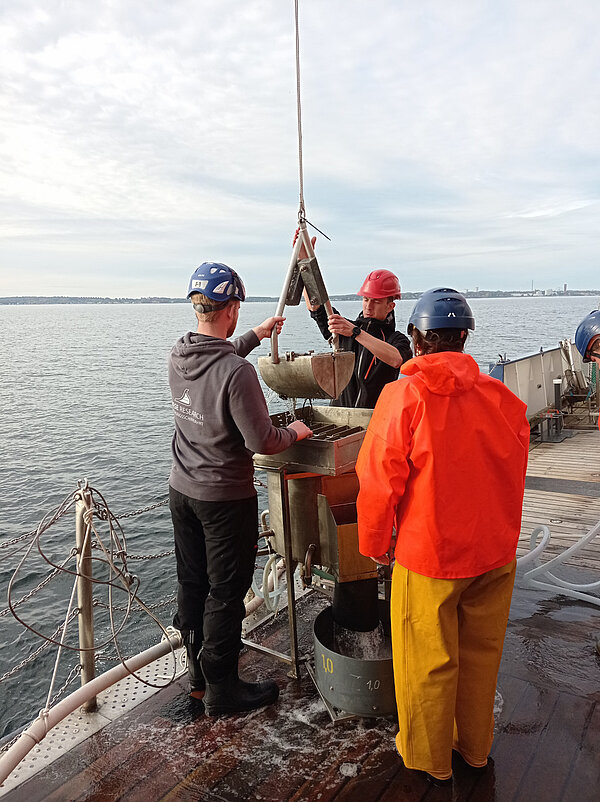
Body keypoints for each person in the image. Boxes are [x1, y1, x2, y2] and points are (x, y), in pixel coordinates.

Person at [355, 287, 530, 786]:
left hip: (429, 558)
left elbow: (378, 480)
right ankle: (474, 750)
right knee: (480, 660)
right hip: (494, 556)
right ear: (465, 339)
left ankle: (429, 763)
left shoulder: (403, 396)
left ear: (415, 339)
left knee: (427, 666)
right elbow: (513, 470)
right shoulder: (502, 399)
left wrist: (373, 546)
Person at [168, 262, 312, 716]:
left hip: (182, 491)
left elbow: (222, 354)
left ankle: (197, 678)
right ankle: (223, 689)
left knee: (192, 584)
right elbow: (264, 441)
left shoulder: (179, 353)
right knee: (226, 592)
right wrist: (299, 434)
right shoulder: (238, 374)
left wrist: (256, 333)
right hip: (224, 500)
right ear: (229, 308)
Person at [304, 266, 412, 408]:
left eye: (376, 301)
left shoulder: (397, 340)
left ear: (390, 306)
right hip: (340, 420)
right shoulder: (345, 328)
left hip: (375, 421)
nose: (368, 306)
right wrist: (304, 260)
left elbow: (396, 359)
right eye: (366, 299)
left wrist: (356, 333)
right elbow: (316, 306)